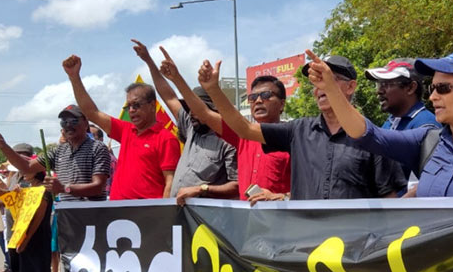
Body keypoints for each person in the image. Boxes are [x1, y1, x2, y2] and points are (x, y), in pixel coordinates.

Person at [303, 48, 453, 197]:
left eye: (443, 88)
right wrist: (331, 89)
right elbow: (365, 134)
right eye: (432, 87)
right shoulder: (426, 141)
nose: (432, 96)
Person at [0, 105, 111, 272]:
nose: (68, 126)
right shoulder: (59, 151)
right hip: (67, 221)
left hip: (91, 220)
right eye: (63, 122)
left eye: (73, 121)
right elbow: (27, 168)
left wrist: (64, 188)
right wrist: (3, 146)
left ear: (85, 122)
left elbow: (99, 186)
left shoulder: (98, 149)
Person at [197, 56, 406, 200]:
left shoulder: (376, 139)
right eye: (316, 82)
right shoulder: (299, 131)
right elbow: (244, 130)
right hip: (304, 252)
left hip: (353, 255)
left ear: (351, 87)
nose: (320, 88)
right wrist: (214, 90)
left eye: (328, 80)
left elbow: (390, 200)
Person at [156, 45, 291, 205]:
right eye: (253, 97)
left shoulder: (295, 137)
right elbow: (204, 113)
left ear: (282, 104)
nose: (259, 100)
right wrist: (177, 78)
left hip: (283, 221)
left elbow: (312, 185)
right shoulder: (243, 135)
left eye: (266, 95)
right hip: (247, 223)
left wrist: (282, 197)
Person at [132, 39, 239, 205]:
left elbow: (237, 186)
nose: (191, 114)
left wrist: (202, 189)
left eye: (197, 109)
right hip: (179, 214)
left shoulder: (229, 142)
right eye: (189, 109)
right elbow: (168, 96)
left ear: (212, 110)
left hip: (207, 219)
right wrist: (149, 61)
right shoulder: (190, 126)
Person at [62, 54, 181, 200]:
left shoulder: (166, 138)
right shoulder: (126, 130)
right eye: (128, 106)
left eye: (136, 105)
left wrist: (164, 215)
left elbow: (171, 181)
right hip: (118, 213)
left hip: (149, 215)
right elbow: (92, 113)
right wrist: (74, 77)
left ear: (152, 106)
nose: (131, 110)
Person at [365, 59, 440, 194]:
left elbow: (430, 182)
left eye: (386, 84)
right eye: (379, 84)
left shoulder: (426, 126)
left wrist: (394, 209)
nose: (379, 91)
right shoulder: (390, 123)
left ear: (410, 88)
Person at [0, 170, 55, 272]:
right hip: (25, 238)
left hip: (38, 238)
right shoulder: (27, 191)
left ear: (36, 175)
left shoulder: (43, 192)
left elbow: (37, 218)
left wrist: (26, 239)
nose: (24, 174)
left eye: (28, 172)